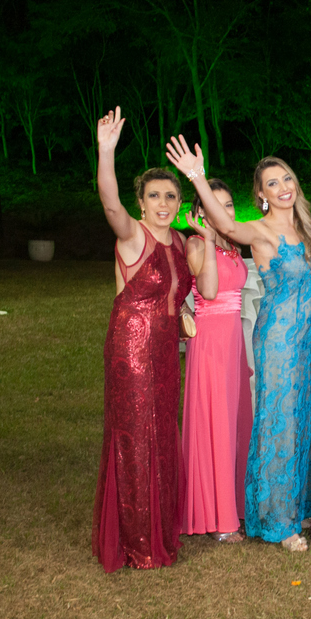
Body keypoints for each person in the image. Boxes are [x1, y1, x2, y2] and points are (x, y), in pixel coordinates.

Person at [167, 137, 311, 553]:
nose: (283, 188)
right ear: (260, 196)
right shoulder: (259, 230)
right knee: (280, 422)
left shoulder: (304, 226)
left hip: (303, 340)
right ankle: (278, 521)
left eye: (287, 179)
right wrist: (196, 176)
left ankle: (299, 505)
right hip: (277, 339)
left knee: (304, 419)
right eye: (272, 184)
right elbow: (226, 226)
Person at [93, 107, 205, 572]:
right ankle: (137, 542)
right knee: (135, 438)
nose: (164, 202)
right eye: (155, 195)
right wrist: (106, 153)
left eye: (171, 196)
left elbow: (182, 292)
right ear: (142, 203)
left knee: (162, 435)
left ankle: (160, 528)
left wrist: (182, 312)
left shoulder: (180, 243)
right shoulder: (131, 235)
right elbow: (109, 203)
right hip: (131, 351)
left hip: (163, 351)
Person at [181, 179, 254, 545]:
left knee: (236, 424)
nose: (223, 212)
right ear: (200, 212)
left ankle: (236, 505)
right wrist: (208, 241)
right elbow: (208, 292)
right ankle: (219, 519)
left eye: (228, 206)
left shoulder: (231, 245)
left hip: (233, 343)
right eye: (215, 205)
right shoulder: (197, 244)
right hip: (210, 345)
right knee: (217, 426)